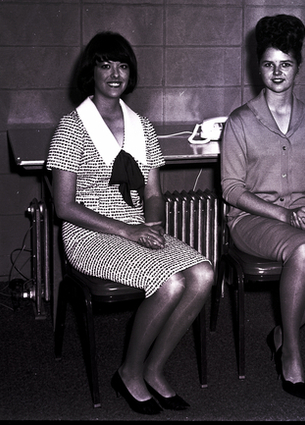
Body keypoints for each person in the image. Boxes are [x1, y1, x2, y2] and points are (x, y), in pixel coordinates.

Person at [47, 31, 214, 414]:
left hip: (137, 226)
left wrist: (151, 227)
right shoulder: (72, 127)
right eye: (105, 65)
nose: (114, 74)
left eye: (122, 66)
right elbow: (63, 207)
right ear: (91, 71)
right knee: (170, 283)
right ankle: (129, 372)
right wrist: (129, 230)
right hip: (89, 235)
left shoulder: (142, 126)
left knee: (203, 273)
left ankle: (154, 368)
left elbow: (153, 194)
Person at [220, 14, 305, 400]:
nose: (277, 73)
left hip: (301, 217)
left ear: (298, 67)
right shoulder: (240, 122)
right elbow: (231, 190)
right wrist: (285, 215)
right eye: (269, 64)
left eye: (286, 64)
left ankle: (280, 332)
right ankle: (292, 353)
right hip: (253, 219)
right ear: (257, 66)